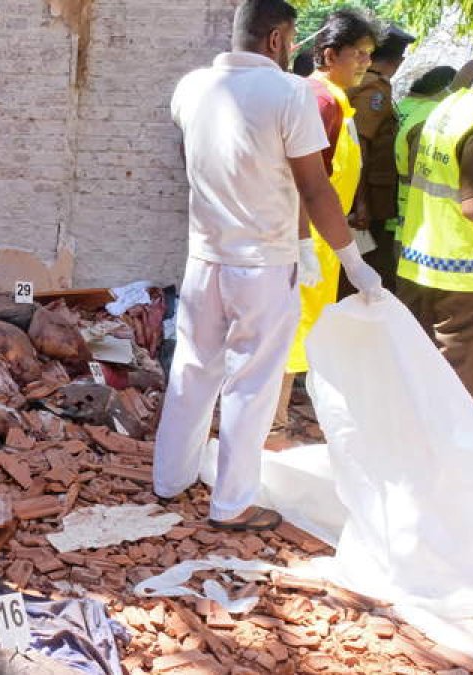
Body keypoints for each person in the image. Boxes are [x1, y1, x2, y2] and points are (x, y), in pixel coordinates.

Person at [155, 0, 382, 532]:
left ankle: (170, 480)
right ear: (278, 40)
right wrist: (351, 259)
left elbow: (197, 161)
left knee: (191, 370)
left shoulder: (191, 88)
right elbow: (314, 187)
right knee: (252, 384)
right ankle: (231, 504)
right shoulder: (289, 93)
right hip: (262, 264)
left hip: (205, 256)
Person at [276, 9, 378, 431]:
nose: (366, 63)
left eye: (370, 55)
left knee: (301, 337)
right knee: (290, 338)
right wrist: (303, 244)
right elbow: (304, 183)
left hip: (324, 242)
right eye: (359, 53)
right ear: (329, 54)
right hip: (310, 241)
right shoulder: (320, 103)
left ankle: (275, 420)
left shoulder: (336, 103)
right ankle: (272, 425)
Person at [396, 44, 473, 407]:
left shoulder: (450, 106)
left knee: (416, 378)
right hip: (470, 278)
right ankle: (443, 462)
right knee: (457, 394)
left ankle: (410, 454)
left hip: (422, 262)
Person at [347, 25, 416, 291]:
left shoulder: (365, 82)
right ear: (398, 60)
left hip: (370, 197)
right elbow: (360, 145)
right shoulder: (374, 88)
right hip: (368, 200)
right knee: (367, 268)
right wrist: (361, 202)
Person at [394, 66, 457, 240]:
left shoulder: (403, 105)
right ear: (447, 86)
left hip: (390, 190)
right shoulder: (434, 112)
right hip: (416, 204)